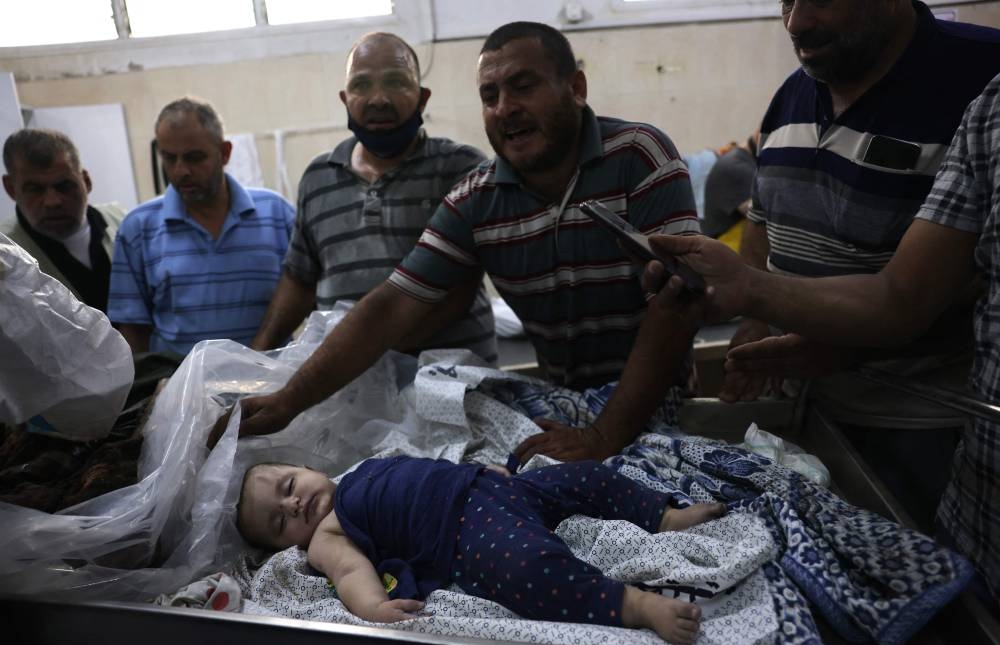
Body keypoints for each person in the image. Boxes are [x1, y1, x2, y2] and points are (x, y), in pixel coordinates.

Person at [234, 22, 700, 463]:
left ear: (576, 88)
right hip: (564, 414)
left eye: (523, 86)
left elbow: (677, 304)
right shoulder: (477, 199)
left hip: (659, 409)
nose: (504, 108)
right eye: (489, 96)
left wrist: (604, 436)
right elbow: (391, 306)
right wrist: (287, 401)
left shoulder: (637, 155)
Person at [643, 72, 1000, 613]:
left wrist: (755, 291)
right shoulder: (987, 111)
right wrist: (759, 307)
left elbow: (927, 298)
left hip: (920, 416)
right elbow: (893, 296)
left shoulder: (964, 77)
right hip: (967, 502)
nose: (798, 29)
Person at [721, 0, 1000, 529]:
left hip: (927, 426)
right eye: (786, 0)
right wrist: (756, 319)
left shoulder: (980, 80)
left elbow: (970, 288)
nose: (796, 22)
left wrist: (852, 348)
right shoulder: (793, 93)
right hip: (811, 412)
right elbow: (761, 224)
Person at [237, 456, 725, 645]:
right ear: (286, 546)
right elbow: (348, 573)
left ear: (307, 467)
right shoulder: (326, 536)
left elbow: (425, 469)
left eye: (289, 485)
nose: (293, 504)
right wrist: (373, 608)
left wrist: (477, 467)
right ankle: (633, 604)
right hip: (466, 531)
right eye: (280, 522)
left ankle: (662, 516)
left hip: (492, 487)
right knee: (527, 568)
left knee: (589, 475)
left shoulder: (361, 470)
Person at [251, 33, 497, 363]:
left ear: (422, 98)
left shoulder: (461, 169)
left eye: (396, 82)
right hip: (346, 384)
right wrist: (254, 359)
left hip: (449, 381)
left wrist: (362, 360)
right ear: (345, 99)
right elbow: (300, 281)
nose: (378, 99)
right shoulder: (318, 178)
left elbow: (457, 291)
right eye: (361, 85)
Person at [108, 97, 296, 356]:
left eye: (194, 158)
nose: (181, 171)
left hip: (273, 378)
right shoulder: (138, 229)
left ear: (225, 152)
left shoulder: (278, 215)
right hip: (179, 381)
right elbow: (133, 331)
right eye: (169, 158)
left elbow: (307, 300)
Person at [1, 128, 127, 314]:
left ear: (86, 181)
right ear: (11, 188)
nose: (52, 202)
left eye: (64, 186)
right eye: (35, 189)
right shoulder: (5, 256)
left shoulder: (124, 221)